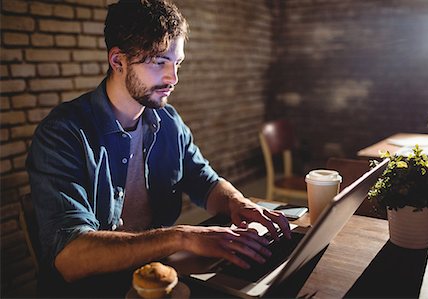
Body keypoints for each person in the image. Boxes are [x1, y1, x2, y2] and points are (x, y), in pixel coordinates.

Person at [26, 0, 291, 297]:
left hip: (159, 277)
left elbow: (204, 180)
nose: (173, 78)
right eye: (159, 62)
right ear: (118, 61)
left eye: (177, 63)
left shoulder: (168, 121)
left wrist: (236, 203)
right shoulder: (63, 133)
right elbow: (70, 257)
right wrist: (180, 237)